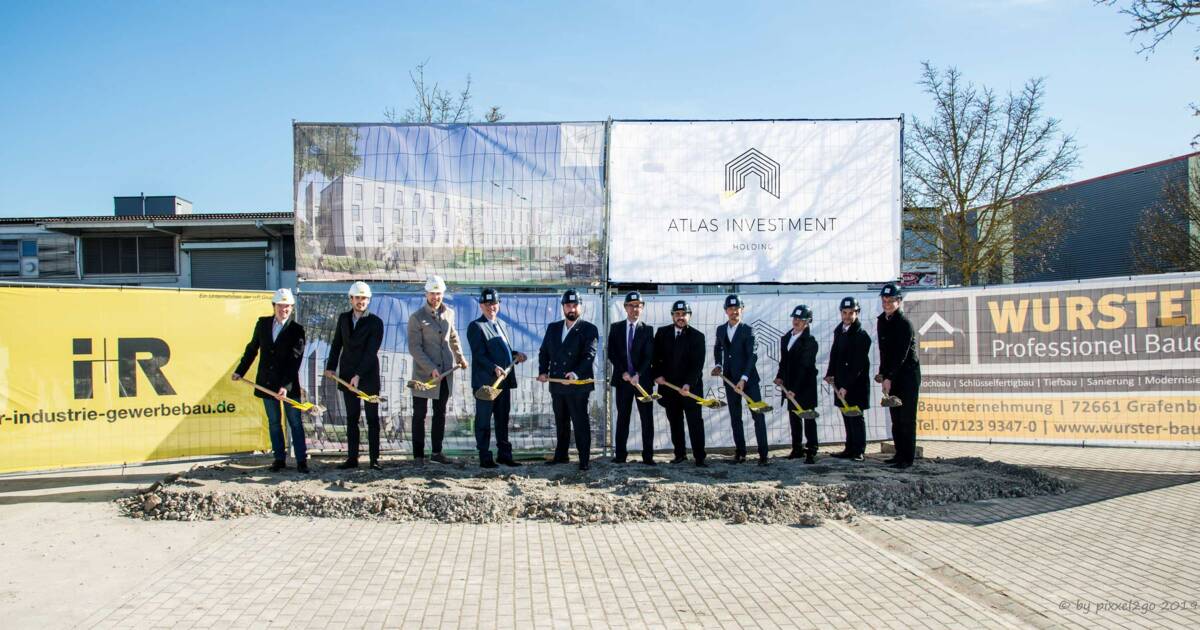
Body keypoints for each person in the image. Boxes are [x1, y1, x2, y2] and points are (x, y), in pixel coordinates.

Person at [233, 288, 309, 473]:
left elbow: (295, 361)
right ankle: (279, 459)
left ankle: (301, 460)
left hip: (288, 386)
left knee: (295, 423)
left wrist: (285, 386)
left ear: (292, 308)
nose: (284, 309)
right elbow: (252, 349)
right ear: (274, 306)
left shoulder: (297, 330)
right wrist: (240, 371)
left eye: (288, 306)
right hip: (266, 383)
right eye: (281, 305)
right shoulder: (263, 324)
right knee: (274, 422)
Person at [407, 275, 468, 464]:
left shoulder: (450, 313)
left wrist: (460, 356)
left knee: (439, 413)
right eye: (432, 294)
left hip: (445, 373)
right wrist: (430, 368)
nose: (436, 297)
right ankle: (418, 455)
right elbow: (414, 348)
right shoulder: (417, 317)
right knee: (419, 414)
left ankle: (437, 453)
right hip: (423, 375)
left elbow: (454, 337)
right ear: (426, 294)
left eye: (439, 293)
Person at [324, 281, 385, 470]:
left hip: (367, 377)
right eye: (358, 298)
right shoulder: (343, 319)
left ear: (369, 300)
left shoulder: (375, 322)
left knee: (372, 419)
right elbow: (336, 344)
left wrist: (358, 374)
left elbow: (371, 351)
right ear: (351, 299)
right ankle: (352, 459)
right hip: (347, 376)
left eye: (365, 298)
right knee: (352, 418)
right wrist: (331, 367)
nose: (361, 301)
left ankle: (374, 460)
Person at [537, 289, 600, 471]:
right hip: (557, 384)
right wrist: (543, 371)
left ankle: (584, 459)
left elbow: (589, 355)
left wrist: (575, 374)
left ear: (580, 306)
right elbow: (544, 352)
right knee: (561, 420)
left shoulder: (589, 329)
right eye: (568, 305)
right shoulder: (553, 328)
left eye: (574, 305)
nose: (571, 309)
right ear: (563, 307)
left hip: (578, 385)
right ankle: (561, 455)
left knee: (580, 422)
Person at [466, 288, 528, 468]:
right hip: (486, 383)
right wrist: (493, 367)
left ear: (498, 305)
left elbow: (503, 352)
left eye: (494, 303)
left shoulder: (500, 324)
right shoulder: (476, 326)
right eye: (487, 304)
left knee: (502, 419)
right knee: (484, 420)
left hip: (504, 383)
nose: (491, 307)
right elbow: (479, 355)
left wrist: (516, 355)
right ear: (481, 306)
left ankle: (504, 455)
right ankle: (485, 456)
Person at [712, 294, 769, 465]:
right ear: (726, 311)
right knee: (735, 417)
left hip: (748, 381)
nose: (734, 312)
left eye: (737, 308)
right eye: (730, 309)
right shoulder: (721, 330)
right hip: (729, 380)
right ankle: (741, 452)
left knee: (757, 416)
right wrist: (718, 365)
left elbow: (752, 356)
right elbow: (718, 348)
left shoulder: (748, 330)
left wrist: (744, 378)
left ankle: (763, 455)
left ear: (741, 310)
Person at [651, 300, 708, 466]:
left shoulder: (698, 336)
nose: (680, 317)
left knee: (695, 423)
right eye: (677, 314)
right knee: (675, 422)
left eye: (684, 314)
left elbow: (698, 364)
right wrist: (657, 375)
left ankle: (699, 457)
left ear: (689, 316)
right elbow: (655, 358)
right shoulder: (662, 333)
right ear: (672, 316)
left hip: (690, 389)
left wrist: (688, 384)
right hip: (669, 388)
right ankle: (680, 454)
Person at [607, 291, 656, 465]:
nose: (635, 309)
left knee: (646, 419)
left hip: (642, 382)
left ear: (642, 308)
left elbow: (649, 356)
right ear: (625, 307)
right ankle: (620, 455)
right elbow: (611, 353)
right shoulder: (616, 328)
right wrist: (623, 372)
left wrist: (638, 374)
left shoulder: (648, 330)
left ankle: (648, 456)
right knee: (623, 418)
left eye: (638, 306)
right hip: (623, 381)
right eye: (631, 305)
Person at [876, 283, 921, 469]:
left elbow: (900, 355)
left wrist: (890, 377)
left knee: (906, 418)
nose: (887, 303)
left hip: (907, 376)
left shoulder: (904, 324)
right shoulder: (882, 321)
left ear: (899, 301)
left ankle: (907, 458)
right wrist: (882, 373)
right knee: (895, 418)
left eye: (891, 300)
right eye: (884, 300)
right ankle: (898, 453)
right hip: (892, 376)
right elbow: (884, 351)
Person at [825, 296, 872, 461]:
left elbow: (857, 365)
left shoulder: (861, 336)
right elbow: (835, 355)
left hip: (855, 384)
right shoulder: (839, 331)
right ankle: (849, 448)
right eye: (844, 312)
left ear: (857, 313)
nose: (847, 316)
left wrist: (846, 386)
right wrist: (830, 374)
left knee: (856, 416)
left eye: (851, 313)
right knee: (846, 414)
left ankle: (859, 450)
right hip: (840, 380)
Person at [774, 304, 819, 464]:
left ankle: (812, 449)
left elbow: (804, 367)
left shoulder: (810, 342)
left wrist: (795, 389)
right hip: (789, 385)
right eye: (795, 318)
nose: (797, 321)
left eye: (801, 319)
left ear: (807, 322)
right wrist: (780, 377)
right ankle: (797, 448)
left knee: (808, 416)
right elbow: (784, 361)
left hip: (804, 386)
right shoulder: (786, 338)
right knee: (794, 417)